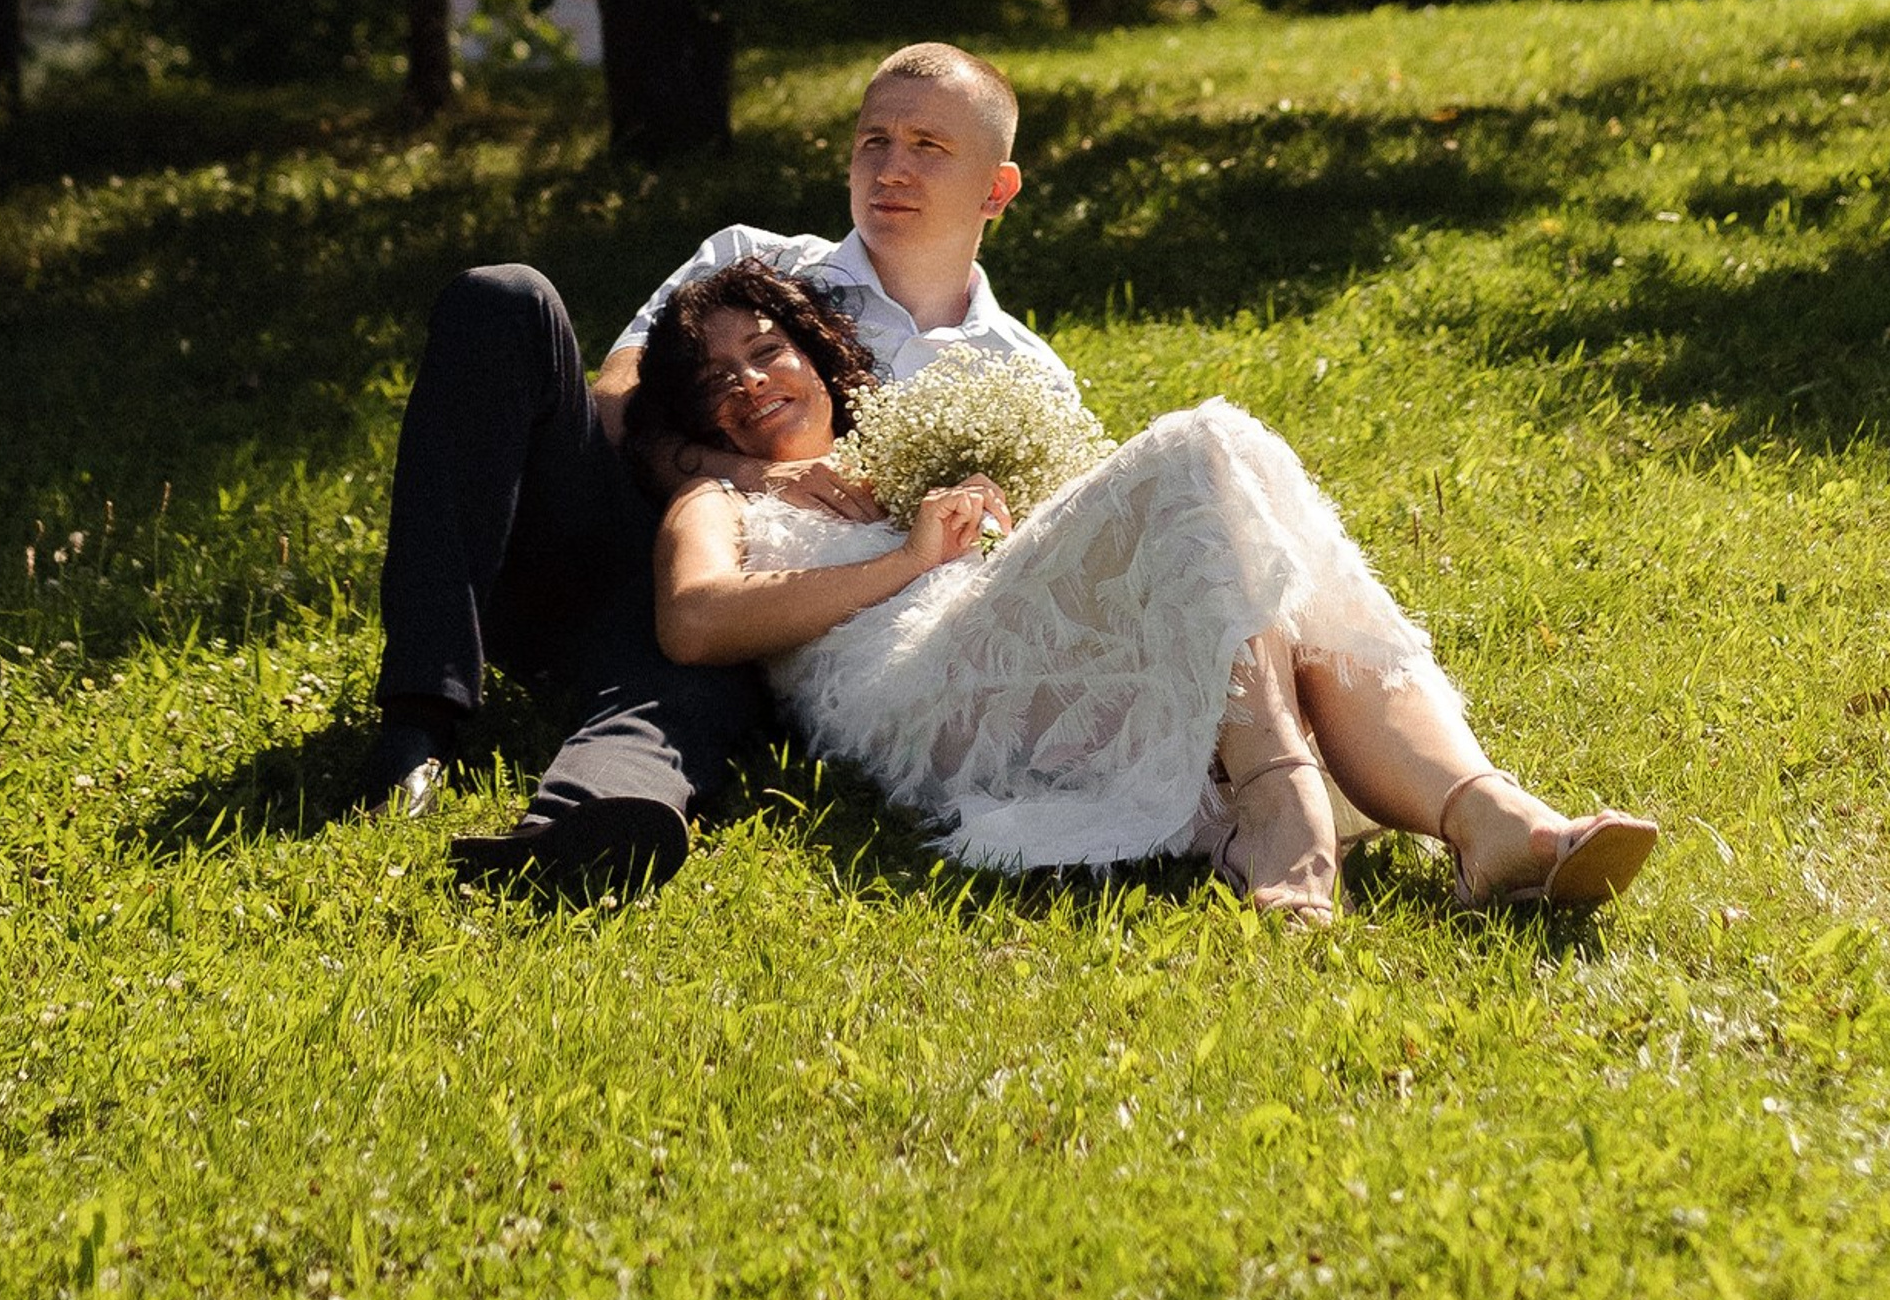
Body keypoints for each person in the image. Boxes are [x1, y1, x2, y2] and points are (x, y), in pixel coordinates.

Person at [643, 264, 1660, 924]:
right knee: (1201, 443)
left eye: (763, 350)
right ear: (696, 417)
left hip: (1010, 654)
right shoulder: (710, 499)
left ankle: (1489, 820)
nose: (746, 383)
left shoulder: (903, 456)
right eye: (713, 380)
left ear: (812, 353)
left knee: (1251, 567)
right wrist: (905, 563)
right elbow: (694, 623)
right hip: (917, 697)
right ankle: (1284, 806)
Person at [356, 43, 1048, 895]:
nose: (891, 168)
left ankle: (594, 827)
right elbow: (616, 410)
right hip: (609, 542)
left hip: (761, 629)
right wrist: (744, 478)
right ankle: (417, 723)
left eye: (928, 148)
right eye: (874, 141)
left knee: (694, 686)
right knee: (504, 298)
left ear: (997, 188)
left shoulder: (1022, 375)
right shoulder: (752, 260)